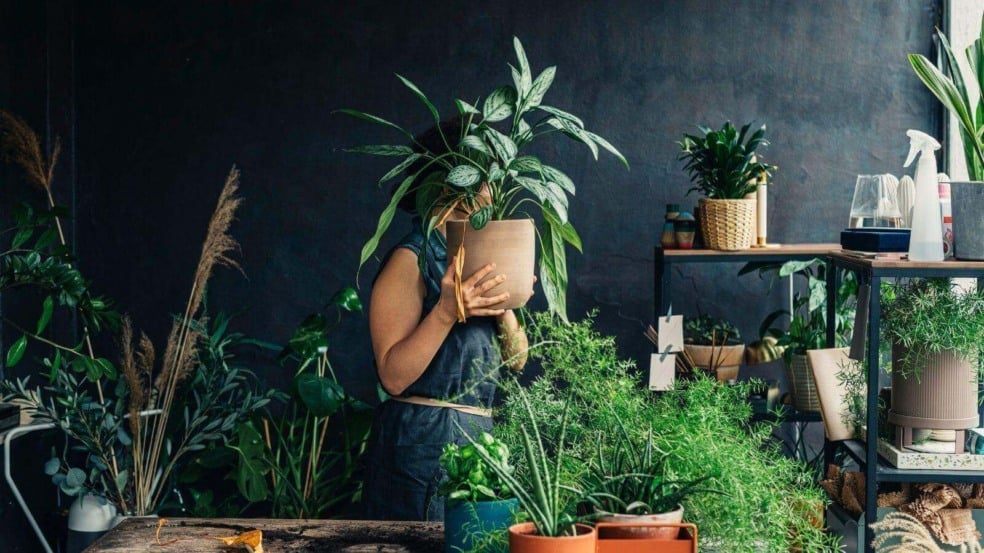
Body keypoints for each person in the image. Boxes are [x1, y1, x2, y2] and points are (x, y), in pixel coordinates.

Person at [362, 122, 530, 521]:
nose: (490, 189)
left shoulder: (482, 255)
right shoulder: (410, 260)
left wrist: (504, 305)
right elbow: (393, 375)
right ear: (450, 180)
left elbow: (518, 361)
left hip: (480, 445)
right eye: (482, 175)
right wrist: (445, 311)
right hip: (420, 446)